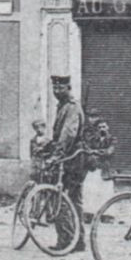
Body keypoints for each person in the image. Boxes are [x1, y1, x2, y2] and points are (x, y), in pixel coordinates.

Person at [42, 75, 86, 251]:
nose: (57, 92)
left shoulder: (72, 108)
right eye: (55, 88)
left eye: (61, 88)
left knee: (61, 198)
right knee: (73, 200)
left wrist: (56, 155)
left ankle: (67, 240)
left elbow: (68, 134)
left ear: (69, 88)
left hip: (72, 160)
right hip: (70, 158)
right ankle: (77, 240)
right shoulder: (63, 107)